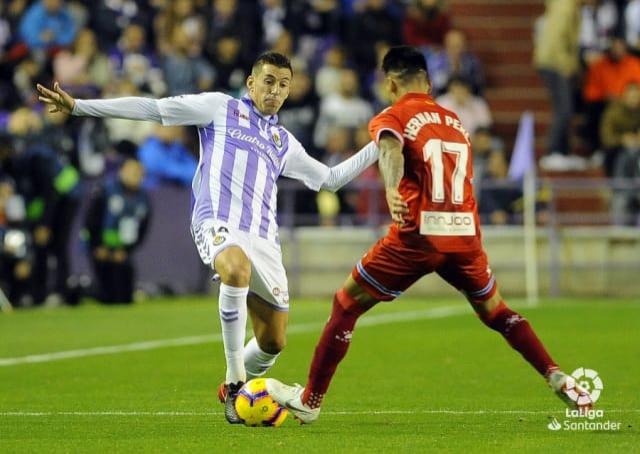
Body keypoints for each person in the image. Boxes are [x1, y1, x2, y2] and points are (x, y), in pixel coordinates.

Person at [36, 51, 378, 424]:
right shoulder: (219, 108)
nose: (275, 91)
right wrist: (81, 106)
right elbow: (153, 108)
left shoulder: (284, 142)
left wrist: (381, 143)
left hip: (264, 239)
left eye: (283, 85)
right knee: (234, 269)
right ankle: (235, 383)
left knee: (273, 342)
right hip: (217, 220)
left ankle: (238, 380)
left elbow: (329, 179)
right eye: (268, 81)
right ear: (251, 83)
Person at [265, 46, 593, 424]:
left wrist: (390, 189)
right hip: (465, 236)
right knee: (498, 312)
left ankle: (311, 400)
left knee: (345, 304)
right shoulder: (455, 121)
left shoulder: (394, 115)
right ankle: (558, 377)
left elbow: (390, 151)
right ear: (430, 83)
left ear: (390, 83)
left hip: (417, 235)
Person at [84, 158, 151, 303]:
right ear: (122, 171)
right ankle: (80, 291)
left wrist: (126, 251)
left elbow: (142, 230)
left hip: (122, 251)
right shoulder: (105, 191)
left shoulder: (143, 199)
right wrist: (97, 246)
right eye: (132, 172)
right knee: (107, 294)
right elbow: (91, 221)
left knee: (125, 297)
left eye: (139, 173)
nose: (135, 176)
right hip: (100, 248)